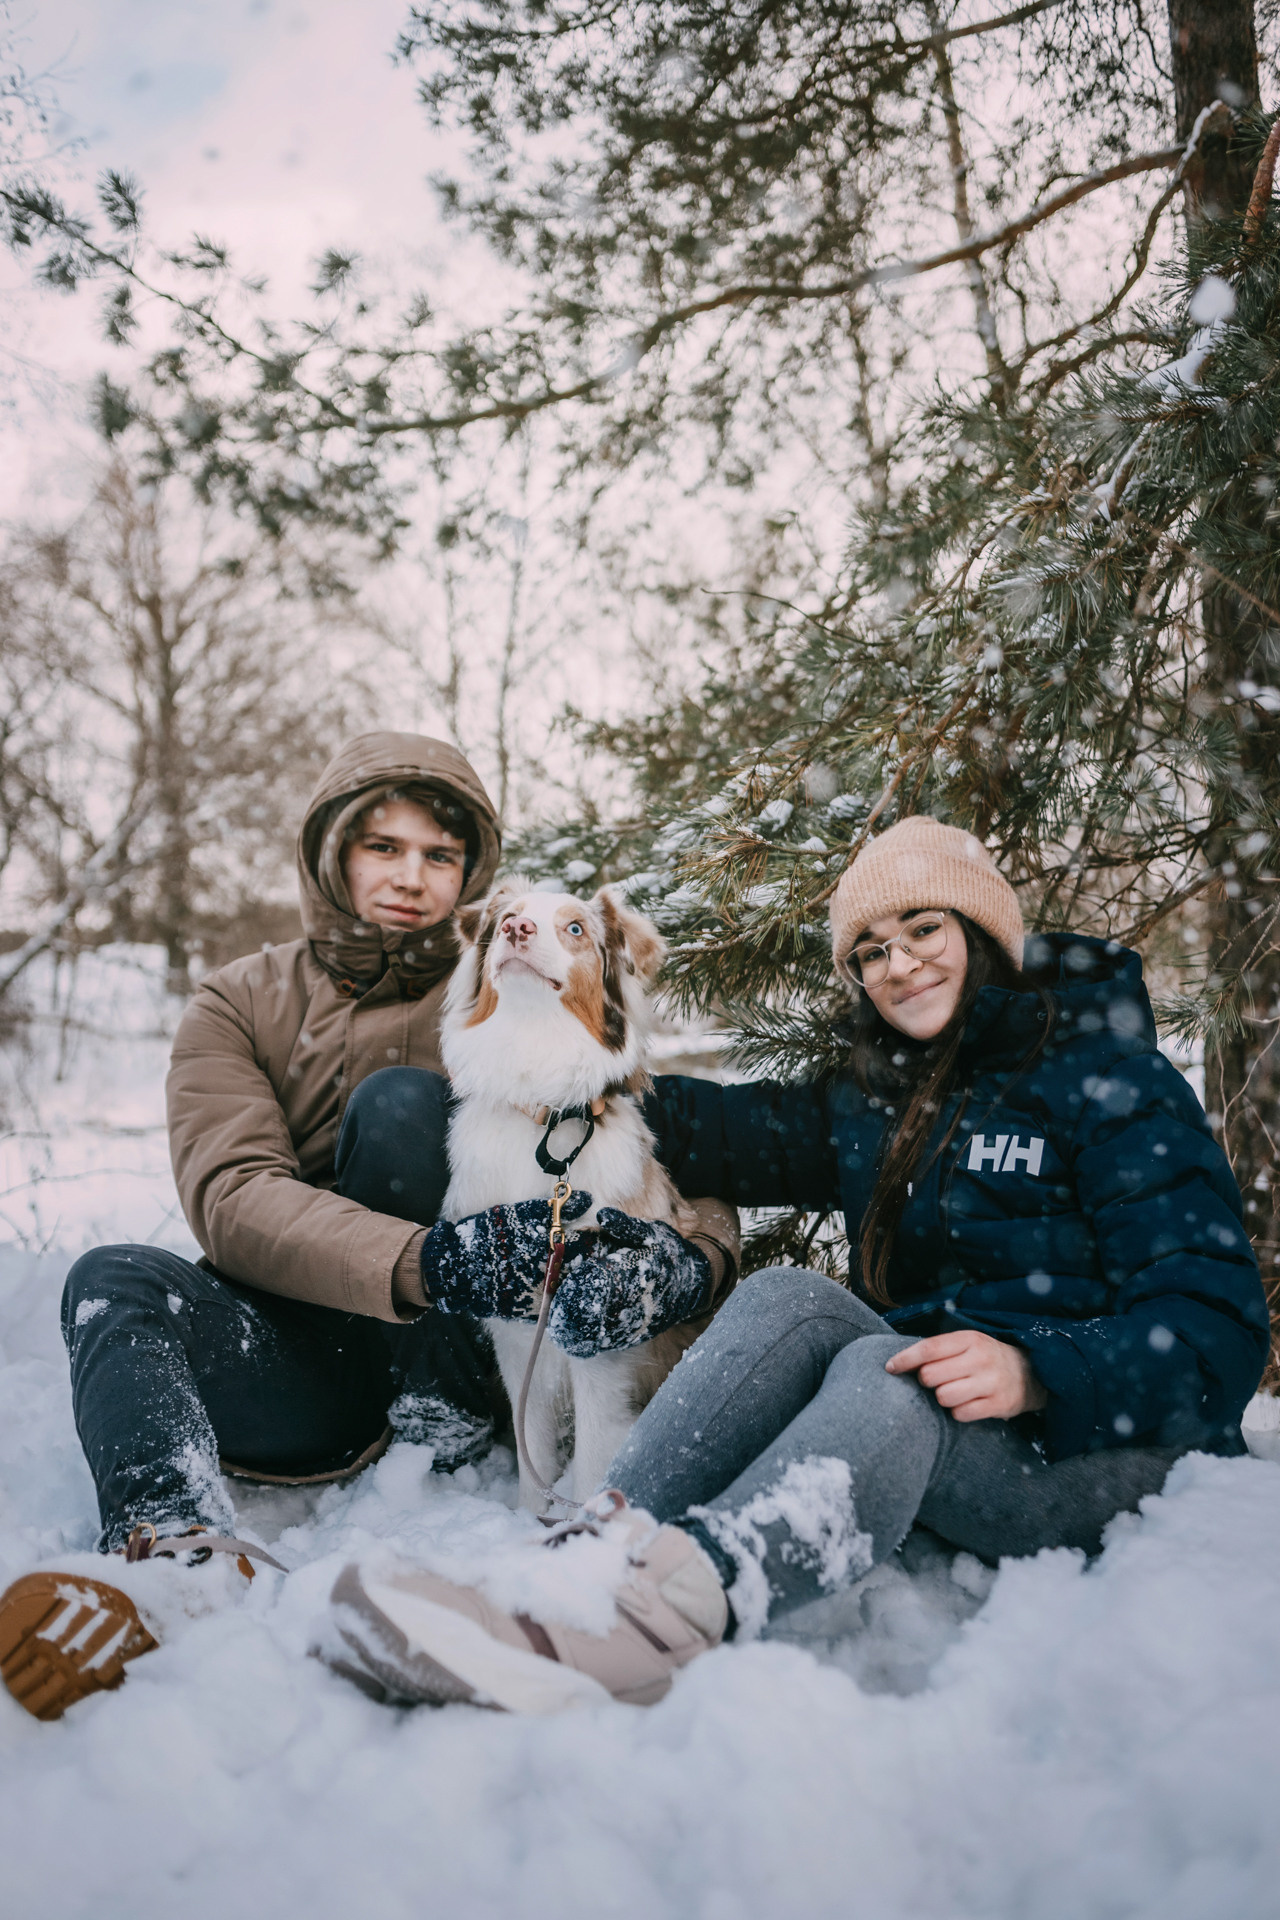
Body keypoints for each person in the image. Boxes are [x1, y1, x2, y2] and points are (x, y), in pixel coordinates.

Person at [324, 815, 1270, 1715]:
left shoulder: (1114, 1085)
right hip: (930, 1407)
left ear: (981, 929)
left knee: (880, 1367)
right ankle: (596, 1556)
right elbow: (718, 1129)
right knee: (789, 1296)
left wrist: (1037, 1371)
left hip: (1100, 1448)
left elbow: (1217, 1331)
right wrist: (570, 1067)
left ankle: (655, 1626)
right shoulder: (879, 1098)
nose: (897, 965)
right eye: (870, 950)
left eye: (923, 929)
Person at [0, 731, 738, 1720]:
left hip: (458, 1367)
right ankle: (172, 1547)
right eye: (381, 847)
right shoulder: (239, 999)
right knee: (111, 1279)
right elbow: (231, 1192)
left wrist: (686, 1264)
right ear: (332, 855)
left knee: (398, 1103)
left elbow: (671, 1137)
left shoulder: (511, 976)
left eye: (439, 856)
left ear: (471, 873)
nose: (410, 877)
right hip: (303, 1348)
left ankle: (435, 1411)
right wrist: (426, 1261)